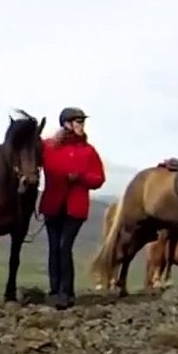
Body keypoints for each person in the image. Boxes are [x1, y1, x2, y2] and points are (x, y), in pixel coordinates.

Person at [39, 107, 106, 309]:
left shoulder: (89, 151)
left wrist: (81, 178)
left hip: (74, 208)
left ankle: (66, 292)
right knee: (53, 249)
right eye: (77, 121)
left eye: (82, 122)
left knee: (64, 247)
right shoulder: (48, 147)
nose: (81, 125)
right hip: (52, 204)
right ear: (66, 124)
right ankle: (54, 291)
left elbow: (99, 178)